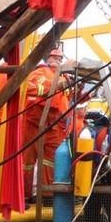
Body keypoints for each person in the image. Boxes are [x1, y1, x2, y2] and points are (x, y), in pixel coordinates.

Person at [22, 47, 72, 201]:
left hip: (54, 124)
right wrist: (61, 82)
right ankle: (25, 195)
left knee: (51, 160)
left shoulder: (64, 76)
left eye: (60, 59)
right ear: (47, 58)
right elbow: (33, 88)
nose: (58, 60)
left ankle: (47, 195)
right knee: (27, 161)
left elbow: (69, 97)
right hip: (34, 123)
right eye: (54, 57)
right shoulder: (39, 72)